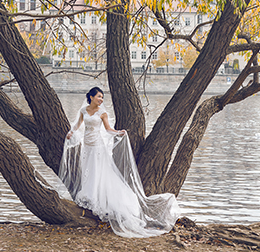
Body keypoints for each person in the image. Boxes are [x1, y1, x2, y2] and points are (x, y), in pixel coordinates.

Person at [59, 87, 180, 237]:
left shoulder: (102, 113)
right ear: (91, 97)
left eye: (102, 97)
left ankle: (97, 200)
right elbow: (78, 125)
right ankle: (88, 195)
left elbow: (108, 129)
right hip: (87, 147)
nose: (101, 99)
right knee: (88, 171)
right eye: (98, 96)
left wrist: (118, 133)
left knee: (98, 172)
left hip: (97, 146)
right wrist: (71, 132)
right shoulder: (84, 110)